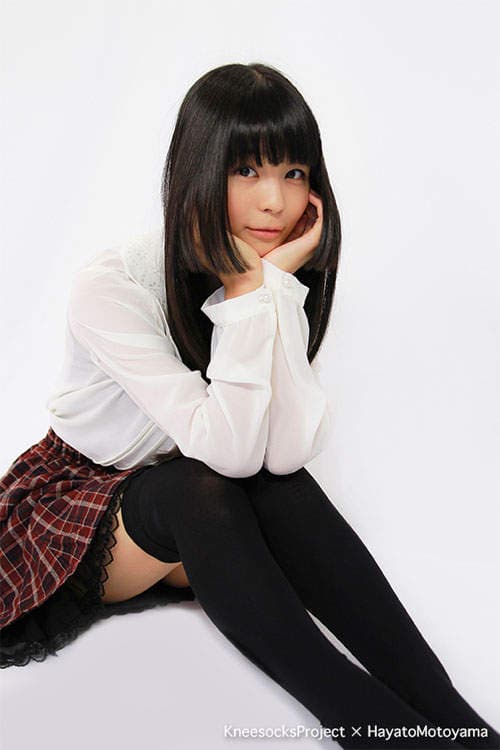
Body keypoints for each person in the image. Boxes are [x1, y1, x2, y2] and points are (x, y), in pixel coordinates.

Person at [0, 62, 498, 750]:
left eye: (294, 173)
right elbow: (226, 455)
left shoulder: (268, 275)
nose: (275, 202)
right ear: (200, 171)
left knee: (277, 485)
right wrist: (246, 292)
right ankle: (385, 736)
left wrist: (271, 293)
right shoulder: (113, 287)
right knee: (195, 484)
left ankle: (464, 729)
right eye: (246, 171)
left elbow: (281, 454)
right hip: (78, 511)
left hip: (204, 516)